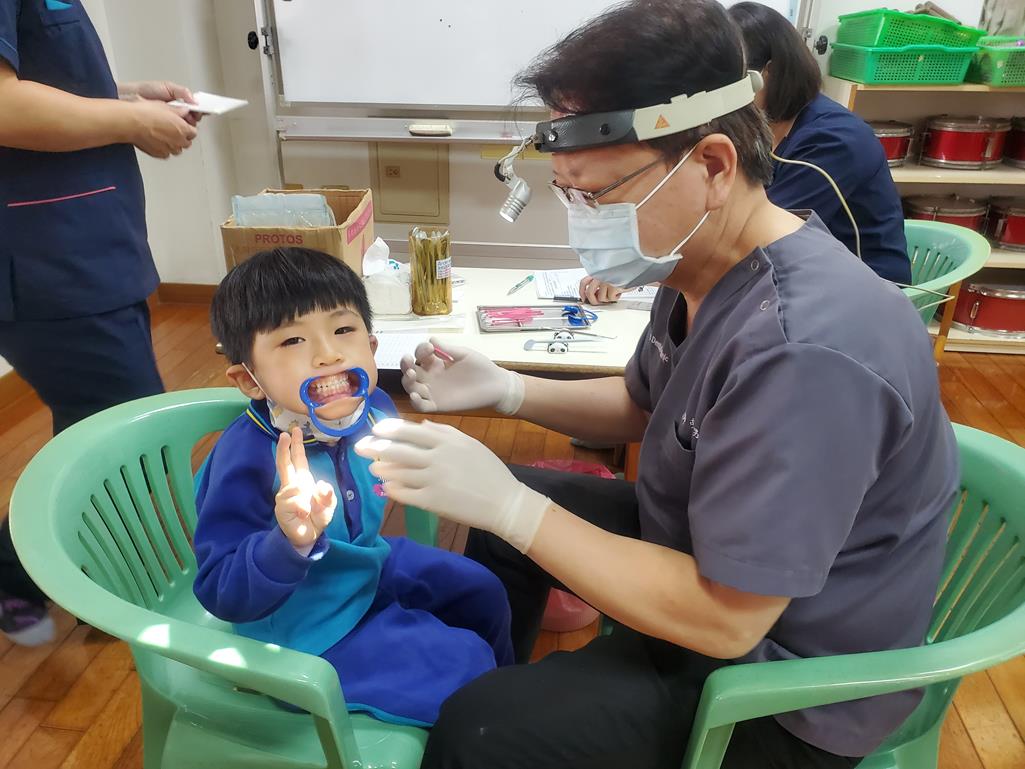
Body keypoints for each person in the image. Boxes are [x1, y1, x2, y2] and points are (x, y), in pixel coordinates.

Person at [354, 1, 958, 767]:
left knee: (478, 731)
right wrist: (508, 389)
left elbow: (726, 620)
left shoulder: (806, 348)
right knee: (498, 523)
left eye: (596, 195)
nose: (580, 220)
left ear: (712, 166)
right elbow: (646, 405)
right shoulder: (700, 265)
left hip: (785, 679)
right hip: (709, 552)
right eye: (566, 193)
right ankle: (505, 675)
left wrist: (512, 506)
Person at [193, 248, 513, 725]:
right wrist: (289, 543)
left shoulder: (374, 407)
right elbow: (222, 592)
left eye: (343, 330)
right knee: (465, 667)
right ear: (249, 380)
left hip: (365, 566)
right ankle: (484, 722)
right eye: (292, 340)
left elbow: (398, 466)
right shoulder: (245, 460)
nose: (329, 354)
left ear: (372, 346)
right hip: (305, 633)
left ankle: (508, 711)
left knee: (482, 590)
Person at [0, 0, 199, 645]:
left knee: (96, 427)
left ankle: (53, 575)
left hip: (86, 244)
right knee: (123, 434)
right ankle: (77, 586)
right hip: (47, 256)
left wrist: (126, 97)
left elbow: (42, 80)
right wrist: (131, 119)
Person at [576, 1, 910, 306]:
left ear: (769, 74)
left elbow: (752, 240)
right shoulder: (766, 128)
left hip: (863, 293)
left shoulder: (834, 140)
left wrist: (643, 270)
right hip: (793, 278)